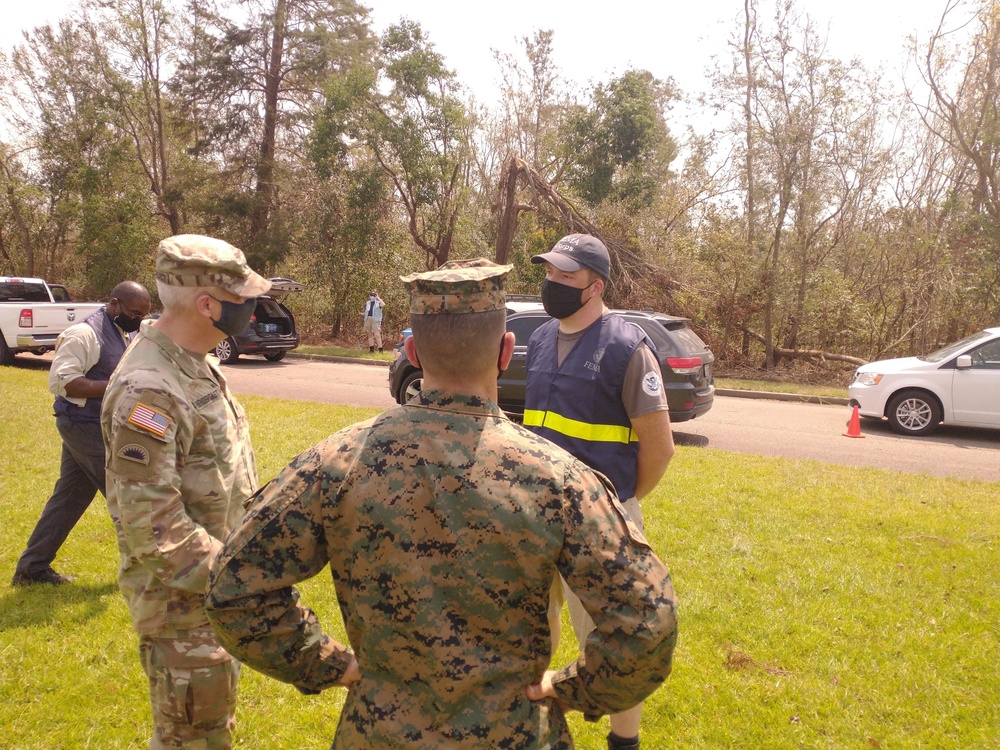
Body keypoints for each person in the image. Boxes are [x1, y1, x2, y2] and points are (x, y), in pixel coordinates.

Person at [205, 259, 678, 749]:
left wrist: (331, 664)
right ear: (506, 352)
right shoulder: (561, 480)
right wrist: (571, 688)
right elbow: (647, 622)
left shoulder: (335, 463)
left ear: (412, 350)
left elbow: (234, 587)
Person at [101, 234, 270, 749]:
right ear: (208, 304)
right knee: (192, 739)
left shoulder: (196, 361)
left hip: (210, 593)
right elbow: (158, 533)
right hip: (182, 606)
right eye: (244, 298)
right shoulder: (150, 388)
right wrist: (242, 576)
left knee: (207, 732)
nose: (253, 308)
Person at [524, 233, 676, 750]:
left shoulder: (627, 348)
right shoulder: (541, 339)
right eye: (550, 274)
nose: (554, 284)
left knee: (612, 636)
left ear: (596, 286)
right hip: (535, 516)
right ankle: (532, 725)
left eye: (566, 276)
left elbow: (659, 448)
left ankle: (622, 741)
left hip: (603, 521)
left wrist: (623, 505)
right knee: (532, 629)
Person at [11, 281, 151, 587]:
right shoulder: (84, 334)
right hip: (81, 425)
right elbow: (65, 383)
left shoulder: (123, 332)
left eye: (143, 314)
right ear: (115, 304)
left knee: (69, 499)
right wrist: (119, 385)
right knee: (126, 494)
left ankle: (31, 569)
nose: (138, 319)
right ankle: (148, 575)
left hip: (100, 425)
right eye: (134, 312)